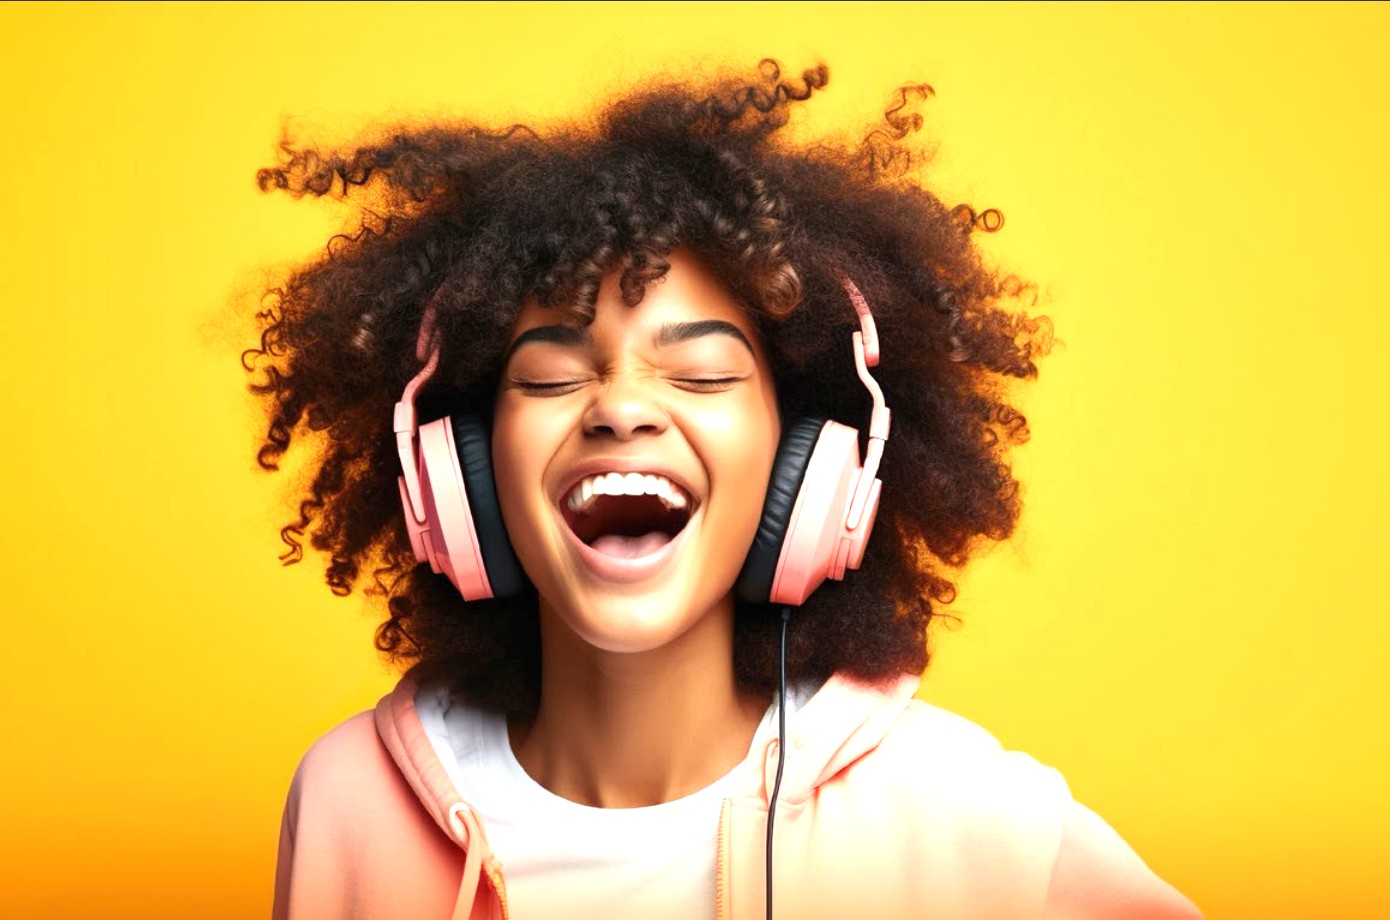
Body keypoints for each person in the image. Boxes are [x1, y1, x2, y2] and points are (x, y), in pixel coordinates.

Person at [250, 60, 1202, 920]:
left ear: (817, 468)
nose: (621, 408)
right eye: (548, 378)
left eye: (701, 375)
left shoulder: (972, 820)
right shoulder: (350, 801)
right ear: (452, 469)